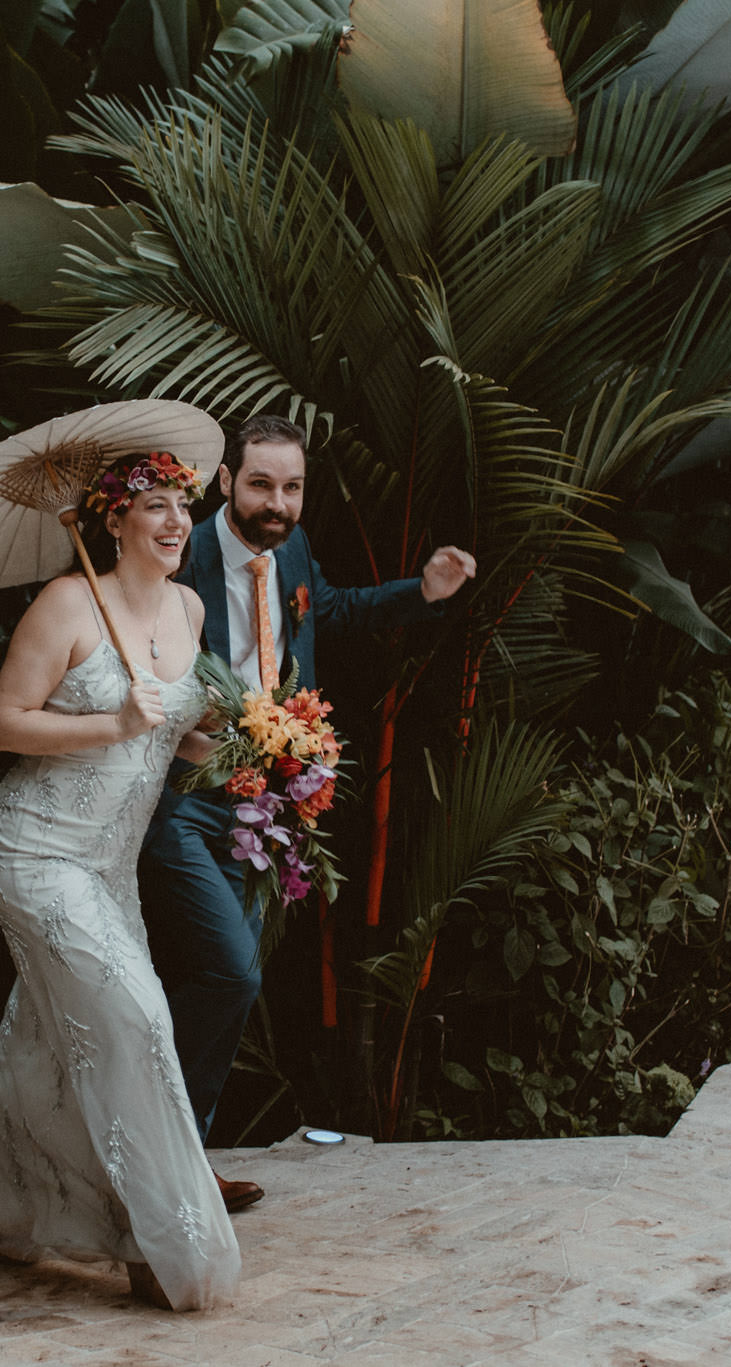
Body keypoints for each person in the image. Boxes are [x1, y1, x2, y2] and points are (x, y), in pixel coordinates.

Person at [141, 415, 476, 1207]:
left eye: (292, 487)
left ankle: (180, 1162)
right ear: (226, 482)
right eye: (260, 484)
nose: (277, 502)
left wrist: (423, 592)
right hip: (183, 800)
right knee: (230, 971)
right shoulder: (178, 553)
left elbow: (331, 608)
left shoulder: (288, 548)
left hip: (270, 808)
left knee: (234, 985)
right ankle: (152, 1151)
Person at [0, 450, 240, 1312]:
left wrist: (251, 746)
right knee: (138, 1015)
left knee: (46, 1034)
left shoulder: (189, 606)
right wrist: (113, 719)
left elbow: (179, 738)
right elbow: (5, 725)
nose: (175, 521)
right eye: (153, 505)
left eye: (182, 505)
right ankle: (158, 1239)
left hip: (110, 864)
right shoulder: (69, 601)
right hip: (37, 851)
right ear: (112, 521)